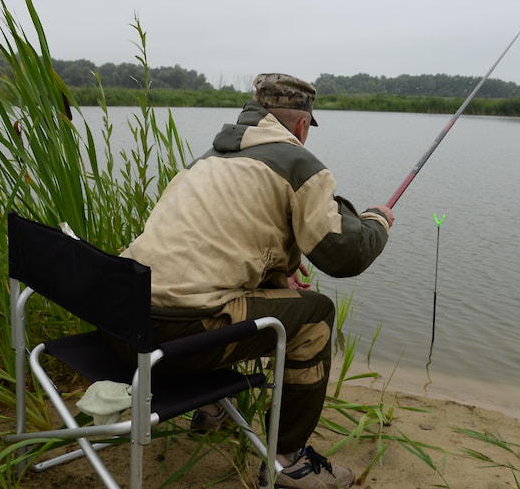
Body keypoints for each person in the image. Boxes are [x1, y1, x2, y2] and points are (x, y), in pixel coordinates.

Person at [113, 73, 394, 488]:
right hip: (177, 339)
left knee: (236, 294)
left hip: (121, 325)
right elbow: (344, 255)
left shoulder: (204, 161)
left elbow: (215, 246)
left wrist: (278, 269)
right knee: (316, 315)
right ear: (301, 125)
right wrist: (375, 222)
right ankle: (287, 461)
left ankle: (210, 409)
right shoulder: (300, 163)